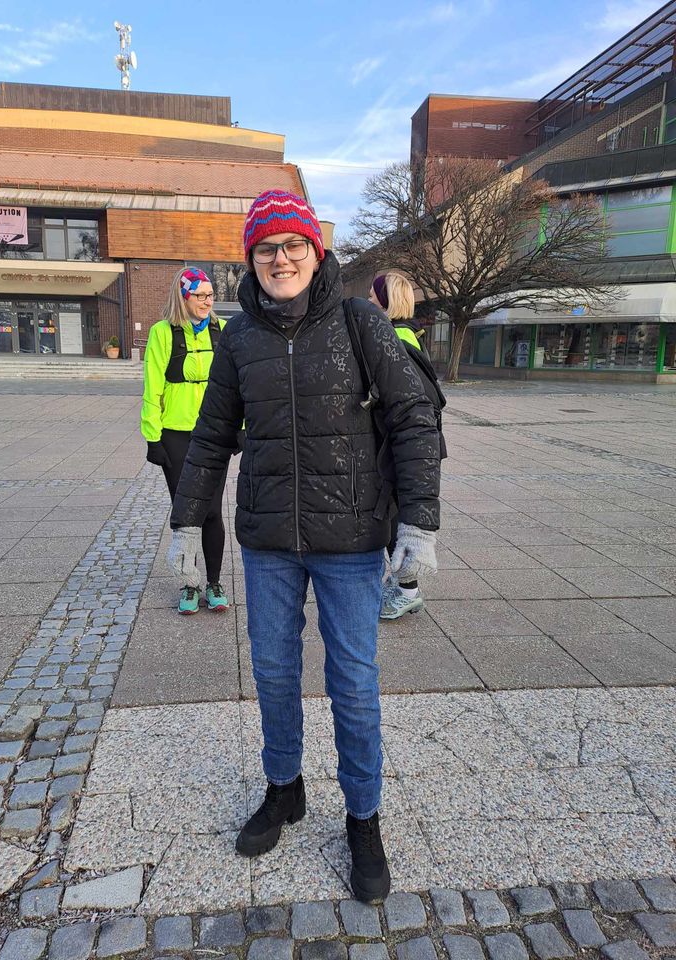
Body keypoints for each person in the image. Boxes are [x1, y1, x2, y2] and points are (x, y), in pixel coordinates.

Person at [167, 190, 441, 904]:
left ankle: (363, 817)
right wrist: (186, 523)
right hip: (268, 541)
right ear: (249, 260)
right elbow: (210, 436)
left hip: (350, 540)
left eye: (293, 245)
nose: (280, 259)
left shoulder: (359, 321)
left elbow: (413, 416)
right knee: (273, 671)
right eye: (266, 248)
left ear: (316, 253)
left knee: (352, 680)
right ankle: (284, 788)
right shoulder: (237, 338)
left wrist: (419, 523)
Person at [141, 267, 229, 615]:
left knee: (213, 511)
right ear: (183, 297)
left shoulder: (222, 331)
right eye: (200, 295)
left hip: (214, 434)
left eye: (210, 295)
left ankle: (214, 582)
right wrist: (152, 436)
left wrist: (239, 426)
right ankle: (190, 584)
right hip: (175, 435)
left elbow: (234, 386)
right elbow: (152, 387)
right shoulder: (162, 333)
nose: (207, 301)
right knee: (186, 513)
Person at [368, 273, 428, 621]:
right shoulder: (406, 334)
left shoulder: (397, 339)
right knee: (391, 517)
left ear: (386, 301)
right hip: (396, 446)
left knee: (392, 520)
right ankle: (402, 586)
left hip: (395, 448)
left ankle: (408, 590)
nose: (368, 303)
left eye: (372, 297)